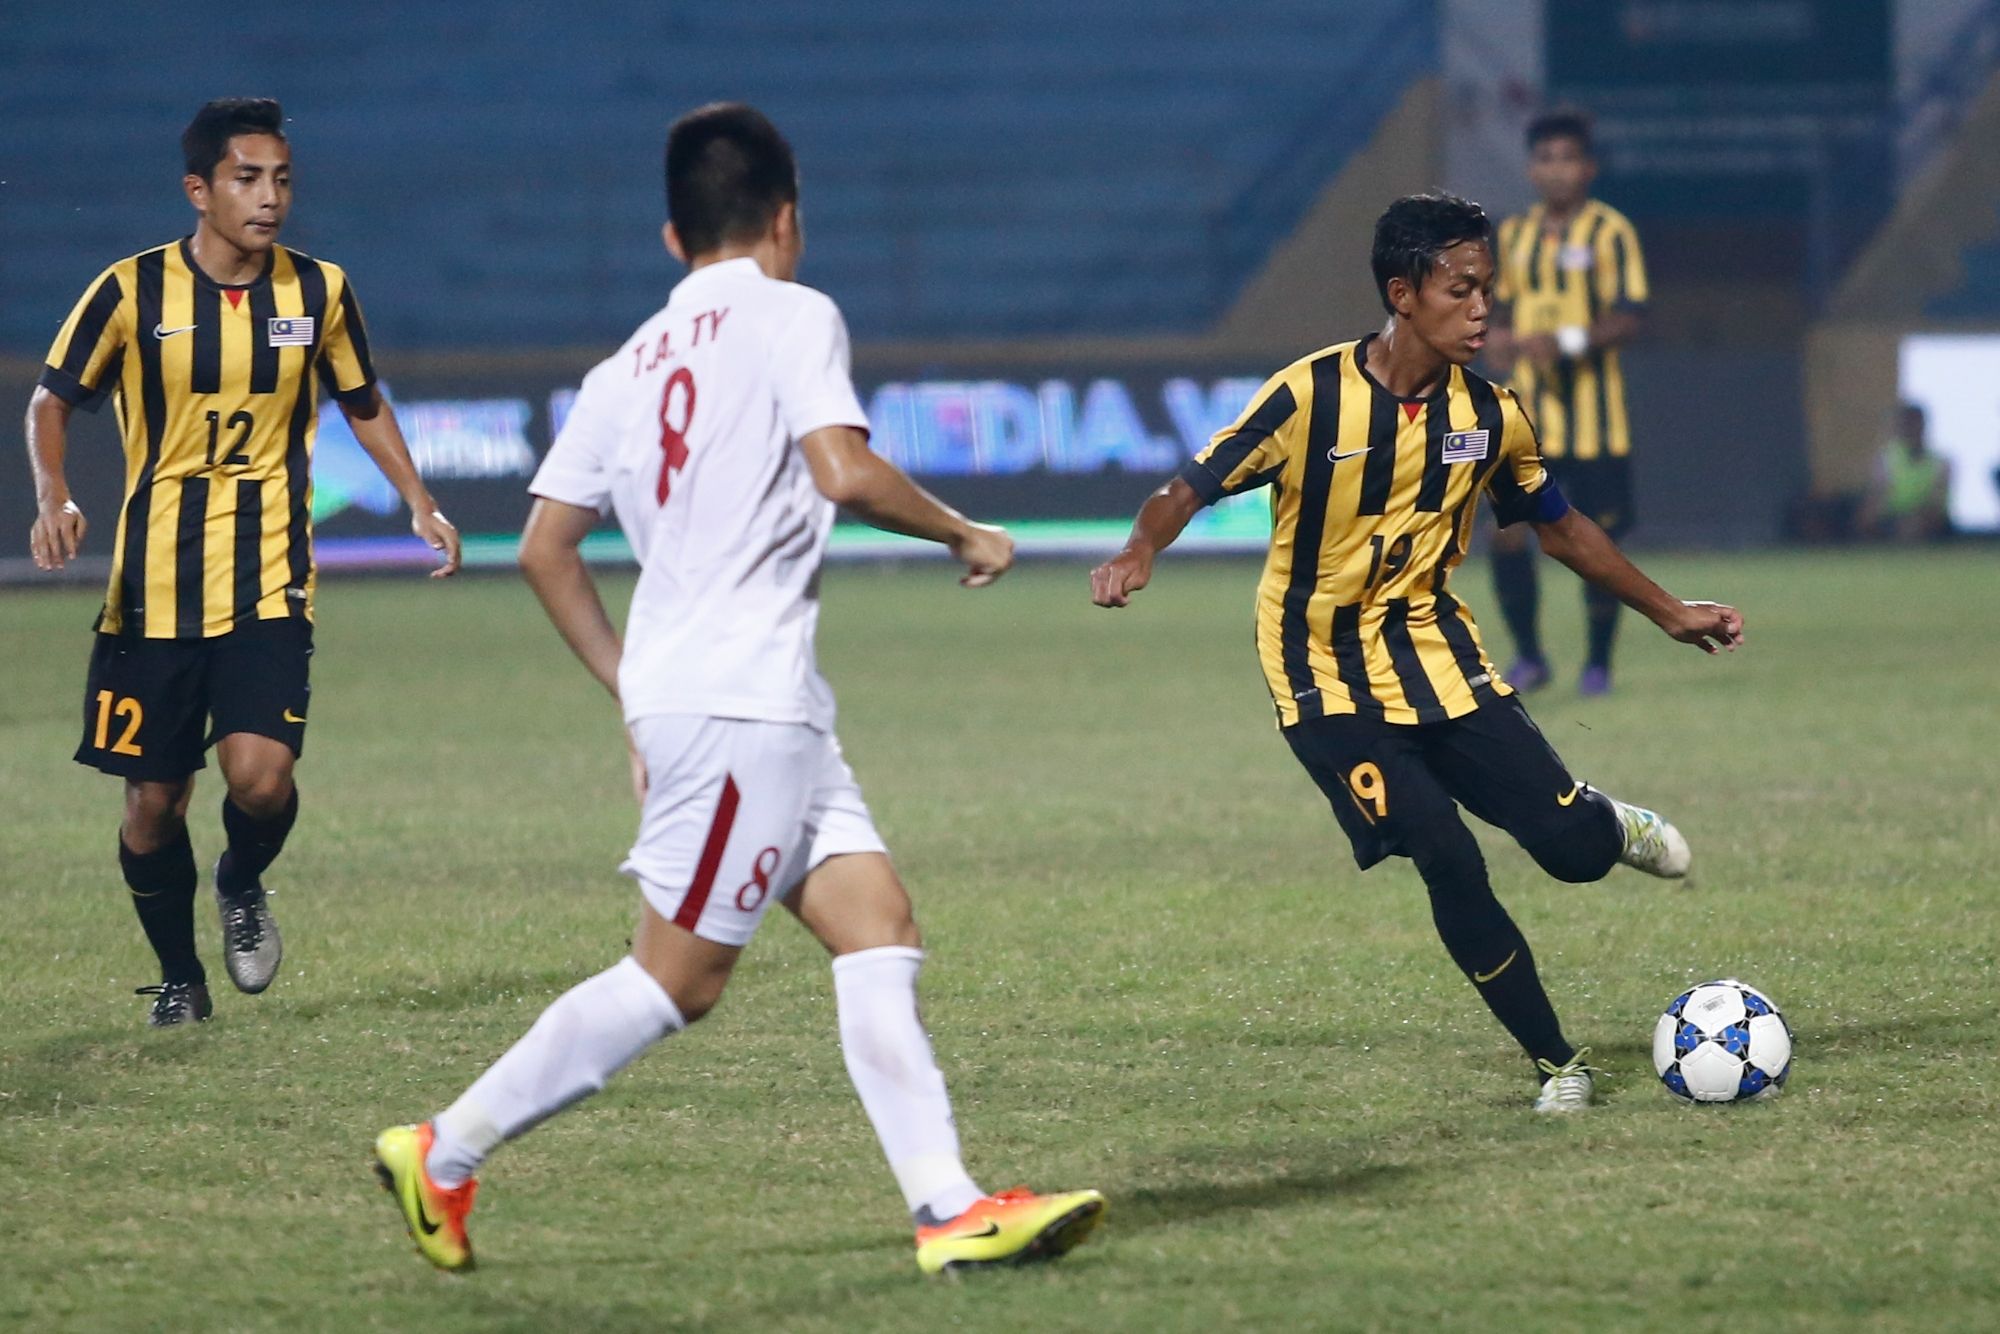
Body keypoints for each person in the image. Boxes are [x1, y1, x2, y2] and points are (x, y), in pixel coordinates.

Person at [372, 103, 1104, 1275]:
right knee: (677, 979)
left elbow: (543, 548)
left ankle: (950, 1206)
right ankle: (444, 1147)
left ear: (671, 238)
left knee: (877, 924)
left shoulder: (624, 365)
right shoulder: (791, 310)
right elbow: (843, 469)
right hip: (737, 706)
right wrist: (964, 532)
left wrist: (630, 686)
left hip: (744, 701)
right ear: (786, 219)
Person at [1090, 193, 1743, 1112]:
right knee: (1445, 852)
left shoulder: (1492, 414)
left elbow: (1559, 529)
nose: (1484, 310)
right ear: (1403, 293)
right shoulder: (1306, 396)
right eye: (1461, 290)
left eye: (1489, 291)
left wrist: (1668, 611)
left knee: (1568, 852)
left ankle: (1605, 823)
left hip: (1438, 657)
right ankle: (1561, 1063)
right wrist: (1138, 548)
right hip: (1319, 678)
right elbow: (1186, 487)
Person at [25, 98, 461, 1028]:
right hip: (150, 593)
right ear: (200, 189)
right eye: (247, 178)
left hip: (269, 575)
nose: (270, 199)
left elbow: (364, 400)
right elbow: (51, 402)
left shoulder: (320, 292)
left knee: (261, 779)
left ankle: (241, 878)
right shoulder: (130, 290)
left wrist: (420, 499)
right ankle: (180, 979)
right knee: (153, 804)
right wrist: (54, 492)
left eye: (283, 179)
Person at [1483, 106, 1649, 696]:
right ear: (1531, 170)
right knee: (1506, 534)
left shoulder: (1610, 232)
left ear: (1589, 168)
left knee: (1597, 542)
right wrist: (1495, 338)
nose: (1556, 171)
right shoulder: (1513, 236)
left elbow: (1629, 319)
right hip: (1524, 419)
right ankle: (1529, 656)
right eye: (1545, 160)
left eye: (1568, 159)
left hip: (1597, 423)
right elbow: (1493, 313)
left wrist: (1567, 340)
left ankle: (1599, 663)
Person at [1856, 403, 1951, 541]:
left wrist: (1918, 519)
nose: (1913, 429)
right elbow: (1876, 495)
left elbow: (1937, 502)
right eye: (1908, 424)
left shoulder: (1941, 463)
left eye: (1916, 423)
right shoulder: (1887, 459)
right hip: (1893, 519)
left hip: (1927, 522)